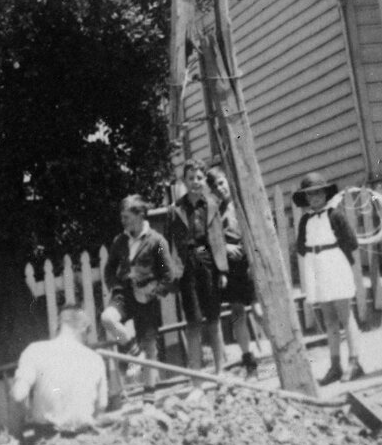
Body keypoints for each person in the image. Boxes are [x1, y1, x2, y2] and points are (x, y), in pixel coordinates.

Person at [293, 170, 366, 385]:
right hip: (316, 267)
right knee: (329, 319)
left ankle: (355, 361)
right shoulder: (305, 220)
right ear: (305, 198)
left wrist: (340, 262)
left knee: (345, 315)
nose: (314, 198)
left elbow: (350, 242)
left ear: (325, 193)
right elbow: (301, 247)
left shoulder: (335, 215)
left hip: (335, 264)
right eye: (310, 195)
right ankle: (335, 364)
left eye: (318, 193)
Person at [101, 194, 176, 393]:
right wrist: (115, 287)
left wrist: (154, 292)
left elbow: (168, 275)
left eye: (126, 216)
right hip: (124, 294)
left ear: (140, 215)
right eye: (122, 216)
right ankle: (133, 352)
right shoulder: (120, 241)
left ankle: (149, 395)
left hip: (146, 296)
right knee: (107, 318)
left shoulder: (156, 242)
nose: (122, 221)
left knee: (149, 345)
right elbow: (109, 270)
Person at [168, 160, 230, 375]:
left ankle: (220, 370)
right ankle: (196, 375)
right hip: (186, 262)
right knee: (193, 320)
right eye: (191, 178)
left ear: (204, 180)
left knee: (213, 317)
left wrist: (221, 270)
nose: (195, 182)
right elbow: (166, 244)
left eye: (199, 178)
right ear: (184, 181)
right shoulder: (175, 209)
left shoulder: (212, 204)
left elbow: (219, 239)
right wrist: (171, 268)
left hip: (206, 256)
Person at [10, 305, 109, 440]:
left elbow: (18, 394)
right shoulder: (95, 359)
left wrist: (29, 413)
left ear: (59, 326)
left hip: (47, 441)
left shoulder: (34, 351)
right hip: (84, 441)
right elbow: (101, 406)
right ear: (83, 328)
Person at [205, 163, 263, 376]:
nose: (220, 188)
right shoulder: (214, 213)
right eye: (215, 187)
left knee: (259, 309)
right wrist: (225, 247)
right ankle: (249, 359)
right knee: (237, 312)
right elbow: (212, 239)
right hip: (232, 267)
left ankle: (279, 349)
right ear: (211, 191)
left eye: (221, 183)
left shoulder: (242, 204)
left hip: (250, 263)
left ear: (227, 181)